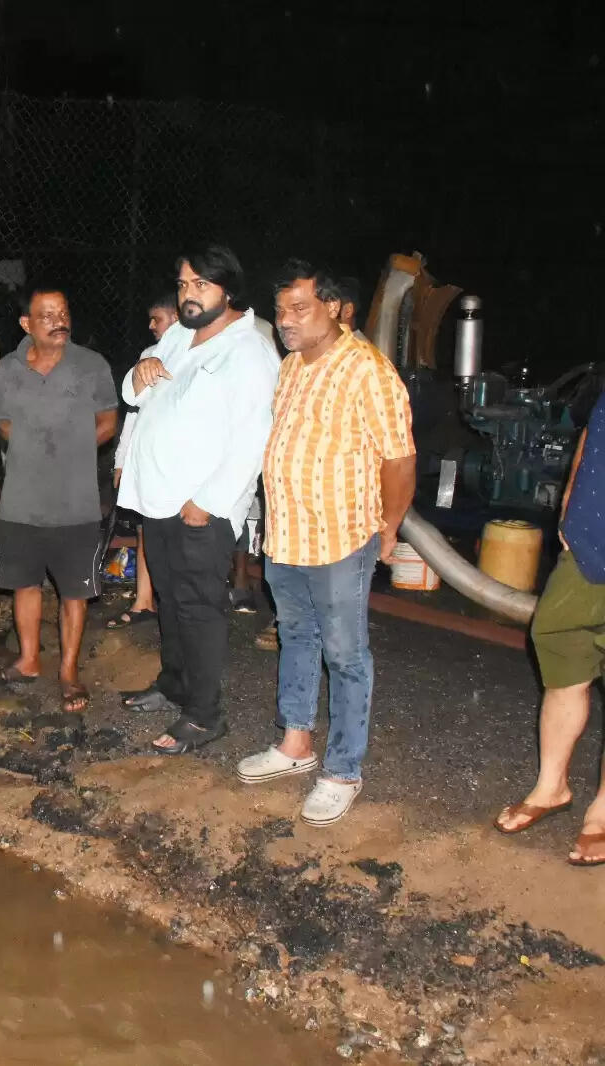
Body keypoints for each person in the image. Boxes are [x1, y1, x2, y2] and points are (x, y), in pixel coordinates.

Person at [236, 260, 415, 827]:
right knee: (295, 637)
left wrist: (389, 526)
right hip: (287, 535)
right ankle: (295, 743)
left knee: (345, 654)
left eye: (299, 308)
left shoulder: (368, 370)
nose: (285, 320)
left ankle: (343, 771)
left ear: (333, 308)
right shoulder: (292, 365)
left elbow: (400, 459)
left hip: (340, 538)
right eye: (280, 310)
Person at [116, 245, 280, 754]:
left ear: (228, 290)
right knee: (170, 599)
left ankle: (205, 715)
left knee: (199, 608)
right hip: (158, 497)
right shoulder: (177, 338)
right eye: (184, 284)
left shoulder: (249, 351)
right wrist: (140, 372)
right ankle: (173, 685)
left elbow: (254, 437)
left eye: (201, 285)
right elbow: (132, 393)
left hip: (201, 508)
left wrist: (208, 501)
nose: (189, 294)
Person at [0, 287, 119, 713]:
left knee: (74, 590)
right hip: (21, 498)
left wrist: (69, 452)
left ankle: (68, 672)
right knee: (24, 583)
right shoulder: (7, 369)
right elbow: (3, 423)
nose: (58, 320)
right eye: (46, 315)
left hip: (75, 501)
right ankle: (28, 659)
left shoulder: (91, 365)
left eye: (63, 312)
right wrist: (37, 448)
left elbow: (108, 422)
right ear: (27, 324)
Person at [494, 395, 605, 864]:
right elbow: (592, 436)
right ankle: (551, 787)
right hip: (587, 546)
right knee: (560, 656)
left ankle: (603, 811)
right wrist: (568, 508)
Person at [108, 290, 178, 629]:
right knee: (144, 530)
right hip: (146, 463)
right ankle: (144, 600)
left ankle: (175, 606)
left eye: (157, 319)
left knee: (176, 537)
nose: (150, 325)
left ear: (176, 318)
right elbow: (133, 414)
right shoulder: (149, 356)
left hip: (177, 467)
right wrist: (121, 460)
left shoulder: (197, 354)